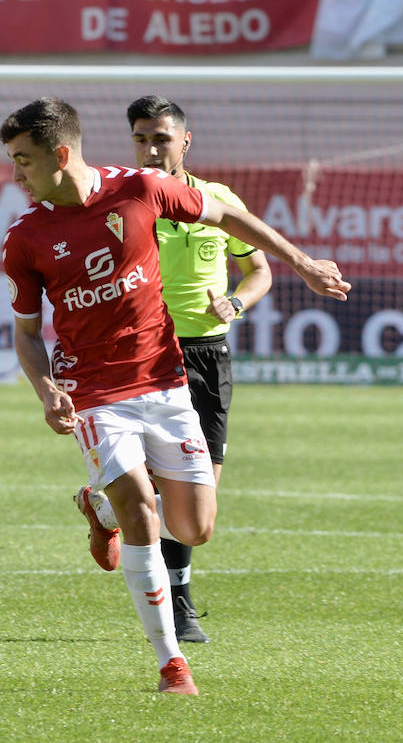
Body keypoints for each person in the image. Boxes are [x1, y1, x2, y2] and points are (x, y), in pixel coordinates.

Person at [0, 96, 350, 695]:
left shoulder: (139, 190)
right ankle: (170, 664)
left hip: (167, 380)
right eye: (12, 161)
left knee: (193, 528)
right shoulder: (25, 239)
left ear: (60, 154)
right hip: (95, 391)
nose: (16, 174)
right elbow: (28, 335)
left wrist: (300, 262)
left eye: (24, 161)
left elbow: (226, 216)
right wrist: (45, 389)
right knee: (143, 508)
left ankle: (97, 505)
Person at [125, 95, 273, 644]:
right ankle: (179, 601)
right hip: (145, 352)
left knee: (200, 495)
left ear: (185, 141)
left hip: (208, 354)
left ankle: (104, 502)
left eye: (161, 138)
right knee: (164, 483)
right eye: (141, 137)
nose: (150, 148)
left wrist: (236, 303)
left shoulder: (218, 200)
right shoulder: (122, 200)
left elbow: (258, 271)